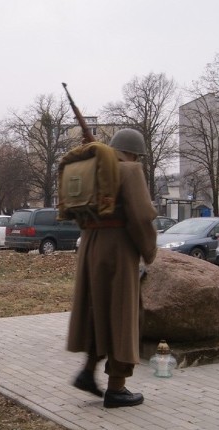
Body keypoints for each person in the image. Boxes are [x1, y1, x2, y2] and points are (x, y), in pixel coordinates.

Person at [66, 128, 158, 409]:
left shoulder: (90, 169)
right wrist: (149, 250)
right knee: (124, 315)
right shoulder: (130, 170)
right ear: (134, 153)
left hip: (91, 245)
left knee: (98, 310)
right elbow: (141, 216)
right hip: (118, 248)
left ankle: (88, 371)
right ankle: (117, 388)